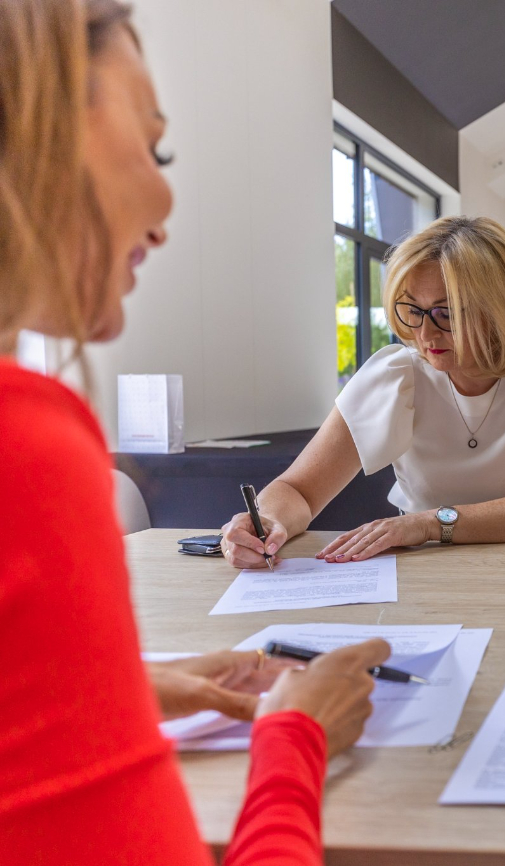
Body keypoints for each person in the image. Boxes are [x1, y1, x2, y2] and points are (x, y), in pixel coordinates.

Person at [0, 1, 391, 861]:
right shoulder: (26, 446)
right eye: (155, 146)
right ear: (30, 134)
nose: (166, 199)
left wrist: (121, 693)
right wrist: (298, 739)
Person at [221, 216, 505, 568]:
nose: (425, 334)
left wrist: (430, 524)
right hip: (424, 567)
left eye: (446, 313)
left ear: (500, 310)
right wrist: (267, 521)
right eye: (412, 310)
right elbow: (298, 490)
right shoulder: (395, 377)